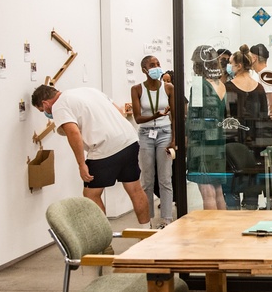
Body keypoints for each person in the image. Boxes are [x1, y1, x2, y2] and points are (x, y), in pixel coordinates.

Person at [31, 83, 149, 223]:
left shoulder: (59, 106)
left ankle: (104, 243)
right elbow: (119, 111)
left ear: (45, 103)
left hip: (104, 148)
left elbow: (73, 133)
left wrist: (81, 164)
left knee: (91, 195)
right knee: (135, 189)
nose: (46, 114)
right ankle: (147, 234)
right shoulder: (88, 90)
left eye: (42, 110)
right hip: (129, 140)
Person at [223, 45, 272, 210]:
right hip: (256, 143)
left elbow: (227, 115)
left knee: (233, 182)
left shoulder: (228, 88)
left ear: (238, 66)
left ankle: (233, 213)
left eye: (230, 63)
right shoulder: (258, 88)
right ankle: (251, 207)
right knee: (252, 179)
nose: (228, 66)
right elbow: (264, 115)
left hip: (233, 141)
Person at [129, 55, 175, 229]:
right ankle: (146, 221)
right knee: (147, 180)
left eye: (158, 64)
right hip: (146, 134)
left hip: (165, 133)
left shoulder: (168, 87)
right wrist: (156, 115)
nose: (156, 67)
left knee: (165, 178)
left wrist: (174, 139)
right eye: (152, 65)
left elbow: (174, 115)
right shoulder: (137, 89)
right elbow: (138, 118)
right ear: (144, 70)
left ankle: (167, 219)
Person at [186, 45, 228, 210]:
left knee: (206, 190)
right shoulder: (221, 84)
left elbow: (194, 117)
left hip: (202, 143)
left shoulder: (198, 85)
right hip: (218, 140)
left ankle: (211, 230)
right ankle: (221, 228)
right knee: (217, 189)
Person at [249, 43, 272, 141]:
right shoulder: (267, 74)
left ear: (254, 58)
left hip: (268, 123)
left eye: (249, 57)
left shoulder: (265, 75)